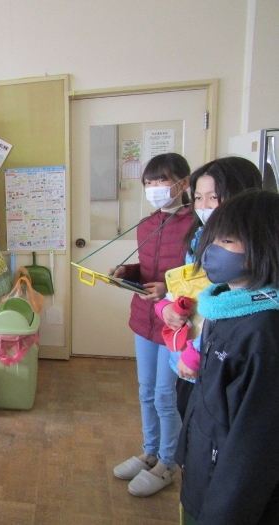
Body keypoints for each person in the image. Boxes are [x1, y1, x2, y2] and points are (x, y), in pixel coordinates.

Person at [176, 190, 279, 525]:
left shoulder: (263, 332)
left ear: (264, 246)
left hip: (227, 499)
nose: (210, 250)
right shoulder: (223, 305)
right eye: (212, 238)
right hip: (202, 472)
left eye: (227, 240)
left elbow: (254, 447)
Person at [111, 153, 194, 497]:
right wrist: (126, 272)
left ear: (183, 183)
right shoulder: (147, 224)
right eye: (148, 182)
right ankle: (150, 452)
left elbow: (200, 278)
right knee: (146, 391)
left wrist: (168, 291)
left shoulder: (197, 226)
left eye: (161, 180)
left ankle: (168, 463)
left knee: (164, 396)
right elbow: (148, 269)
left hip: (175, 324)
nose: (154, 187)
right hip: (144, 319)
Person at [154, 157, 263, 417]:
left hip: (217, 362)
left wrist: (194, 353)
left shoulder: (247, 251)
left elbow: (230, 307)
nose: (204, 207)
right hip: (187, 360)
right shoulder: (199, 237)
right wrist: (166, 307)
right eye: (198, 198)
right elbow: (187, 288)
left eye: (213, 198)